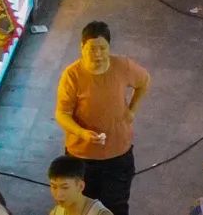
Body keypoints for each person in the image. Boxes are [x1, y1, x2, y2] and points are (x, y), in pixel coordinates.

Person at [54, 23, 148, 215]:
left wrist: (132, 110)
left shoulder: (123, 67)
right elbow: (62, 114)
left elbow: (144, 81)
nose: (97, 54)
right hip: (82, 157)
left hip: (118, 155)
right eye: (92, 49)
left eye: (102, 48)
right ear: (82, 48)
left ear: (109, 48)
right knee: (81, 206)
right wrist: (82, 133)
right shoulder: (72, 75)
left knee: (116, 206)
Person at [46, 157, 111, 215]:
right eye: (54, 187)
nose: (58, 195)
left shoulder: (100, 213)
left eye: (65, 188)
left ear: (80, 186)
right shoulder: (56, 212)